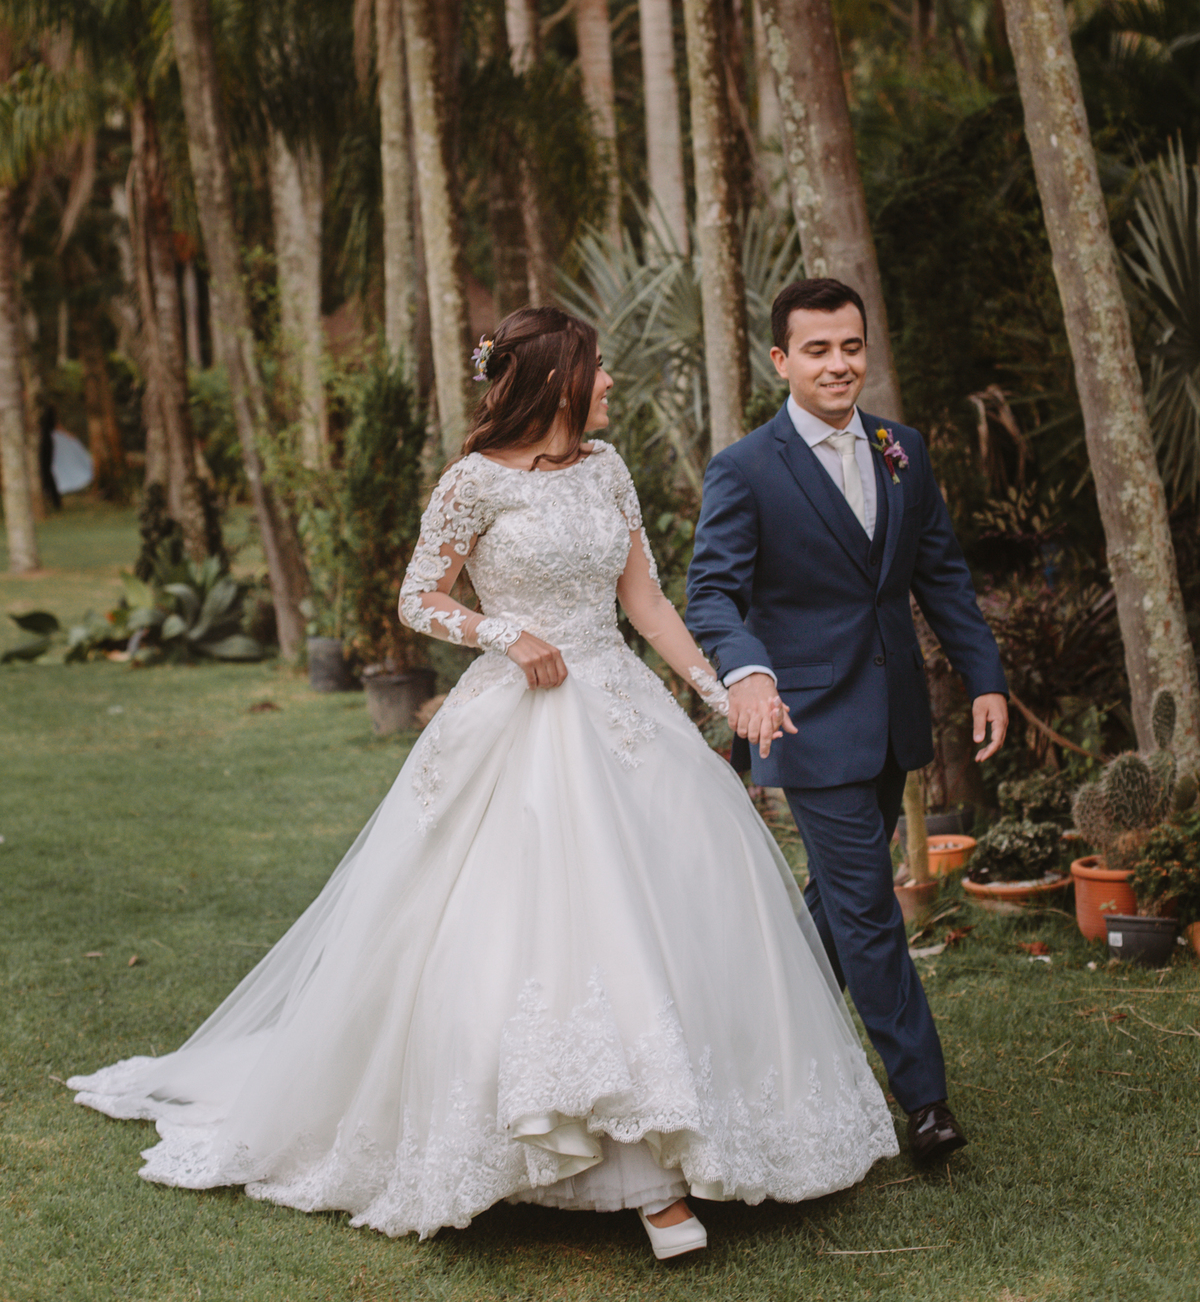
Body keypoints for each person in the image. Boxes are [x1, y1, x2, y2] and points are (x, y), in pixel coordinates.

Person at [70, 306, 897, 1260]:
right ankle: (614, 1175)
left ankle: (677, 1158)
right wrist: (503, 632)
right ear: (556, 379)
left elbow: (647, 602)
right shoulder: (470, 484)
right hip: (518, 722)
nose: (611, 384)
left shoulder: (608, 468)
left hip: (622, 713)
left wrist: (724, 694)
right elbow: (417, 597)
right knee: (524, 929)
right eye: (598, 368)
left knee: (673, 908)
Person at [686, 278, 1009, 1164]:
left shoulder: (903, 448)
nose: (840, 364)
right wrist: (747, 671)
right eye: (819, 350)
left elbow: (938, 572)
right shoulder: (746, 467)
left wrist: (984, 676)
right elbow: (711, 591)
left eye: (852, 346)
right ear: (782, 361)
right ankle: (926, 1101)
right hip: (806, 720)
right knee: (869, 910)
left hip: (895, 714)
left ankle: (756, 1036)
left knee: (835, 897)